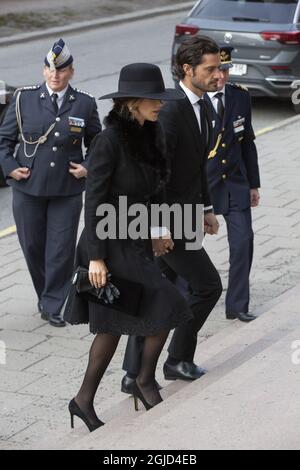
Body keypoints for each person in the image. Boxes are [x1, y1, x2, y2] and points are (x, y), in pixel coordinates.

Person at [63, 63, 193, 432]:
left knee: (115, 324)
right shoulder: (108, 141)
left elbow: (153, 192)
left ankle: (83, 401)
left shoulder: (151, 134)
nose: (161, 106)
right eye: (155, 100)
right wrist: (96, 258)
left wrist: (158, 228)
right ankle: (144, 380)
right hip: (108, 242)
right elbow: (95, 201)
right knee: (170, 304)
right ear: (132, 102)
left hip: (135, 237)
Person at [121, 35, 223, 394]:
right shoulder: (172, 109)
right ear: (187, 69)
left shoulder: (205, 105)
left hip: (187, 215)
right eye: (210, 69)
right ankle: (176, 359)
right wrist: (158, 228)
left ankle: (134, 372)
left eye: (220, 67)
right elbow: (155, 174)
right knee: (208, 285)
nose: (218, 75)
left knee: (153, 291)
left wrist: (208, 209)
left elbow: (198, 166)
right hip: (167, 221)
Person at [0, 39, 101, 327]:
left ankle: (53, 303)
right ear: (44, 71)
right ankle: (47, 294)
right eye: (50, 69)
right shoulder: (24, 99)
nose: (55, 75)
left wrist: (86, 166)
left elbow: (98, 142)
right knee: (32, 247)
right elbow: (4, 141)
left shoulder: (84, 102)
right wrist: (10, 169)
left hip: (66, 189)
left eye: (61, 70)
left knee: (60, 249)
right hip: (27, 188)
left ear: (71, 71)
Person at [205, 45, 261, 322]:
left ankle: (237, 304)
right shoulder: (193, 100)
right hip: (202, 186)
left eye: (225, 70)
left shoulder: (240, 97)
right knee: (187, 247)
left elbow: (247, 142)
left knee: (243, 242)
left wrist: (254, 184)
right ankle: (181, 301)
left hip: (236, 184)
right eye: (217, 70)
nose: (222, 76)